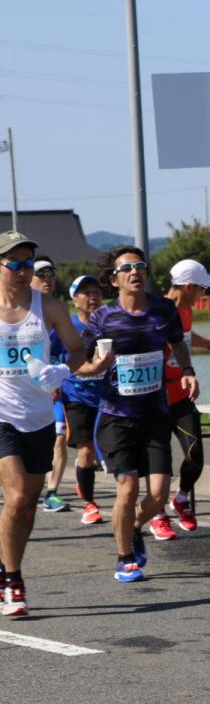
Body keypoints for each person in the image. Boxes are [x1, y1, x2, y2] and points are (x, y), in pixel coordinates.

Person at [82, 246, 197, 583]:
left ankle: (133, 525)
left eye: (140, 266)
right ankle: (125, 557)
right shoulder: (104, 318)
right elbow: (80, 361)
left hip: (154, 415)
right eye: (126, 268)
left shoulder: (163, 310)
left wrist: (187, 368)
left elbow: (177, 342)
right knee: (127, 487)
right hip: (116, 415)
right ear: (114, 279)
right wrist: (96, 367)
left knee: (159, 494)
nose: (135, 272)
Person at [1, 231, 96, 616]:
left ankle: (8, 568)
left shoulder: (49, 307)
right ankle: (13, 582)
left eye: (28, 264)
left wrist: (60, 370)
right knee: (18, 497)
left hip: (39, 416)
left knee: (27, 508)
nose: (24, 271)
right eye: (14, 264)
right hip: (2, 416)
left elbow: (78, 350)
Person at [152, 259, 210, 538]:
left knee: (195, 455)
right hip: (155, 399)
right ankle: (159, 514)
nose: (204, 294)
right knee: (158, 466)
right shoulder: (155, 313)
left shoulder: (186, 311)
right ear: (187, 287)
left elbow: (186, 338)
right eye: (201, 288)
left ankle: (182, 499)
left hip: (181, 395)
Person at [57, 275, 107, 525]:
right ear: (75, 300)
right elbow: (50, 354)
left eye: (96, 291)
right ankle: (89, 504)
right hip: (76, 396)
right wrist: (53, 381)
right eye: (85, 293)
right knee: (86, 452)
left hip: (107, 397)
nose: (93, 297)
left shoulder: (109, 324)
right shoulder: (67, 326)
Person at [31, 257, 71, 513]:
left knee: (59, 439)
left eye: (50, 273)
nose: (47, 278)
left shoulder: (58, 311)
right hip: (16, 395)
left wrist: (60, 373)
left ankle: (52, 492)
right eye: (41, 273)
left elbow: (75, 352)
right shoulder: (10, 313)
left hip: (55, 392)